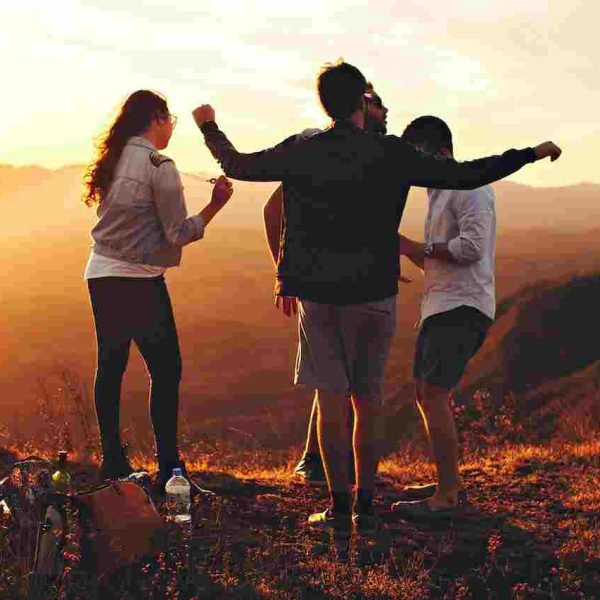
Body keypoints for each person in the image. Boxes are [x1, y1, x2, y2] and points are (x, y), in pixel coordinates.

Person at [192, 60, 561, 536]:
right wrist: (529, 152)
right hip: (374, 293)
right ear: (361, 104)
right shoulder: (390, 153)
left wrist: (209, 127)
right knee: (368, 402)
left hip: (319, 295)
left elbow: (239, 165)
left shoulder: (303, 149)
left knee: (331, 401)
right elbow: (468, 174)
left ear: (324, 103)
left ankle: (340, 510)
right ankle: (366, 506)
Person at [82, 89, 233, 495]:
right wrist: (216, 204)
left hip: (100, 273)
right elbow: (177, 232)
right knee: (166, 370)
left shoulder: (113, 159)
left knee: (110, 366)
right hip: (140, 280)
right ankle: (170, 471)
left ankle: (113, 463)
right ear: (158, 118)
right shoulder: (159, 165)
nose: (171, 129)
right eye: (171, 121)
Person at [262, 83, 396, 486]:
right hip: (326, 287)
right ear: (358, 107)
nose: (387, 111)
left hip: (359, 284)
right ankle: (323, 470)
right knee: (339, 387)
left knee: (340, 385)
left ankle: (338, 485)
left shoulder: (375, 154)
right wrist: (284, 273)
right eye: (377, 104)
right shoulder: (317, 149)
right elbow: (273, 210)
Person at [391, 116, 502, 515]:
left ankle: (447, 496)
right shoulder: (438, 193)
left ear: (438, 152)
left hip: (463, 306)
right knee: (426, 393)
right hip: (442, 304)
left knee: (433, 395)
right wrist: (407, 250)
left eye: (415, 155)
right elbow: (442, 257)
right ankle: (447, 481)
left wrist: (416, 245)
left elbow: (471, 248)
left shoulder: (469, 187)